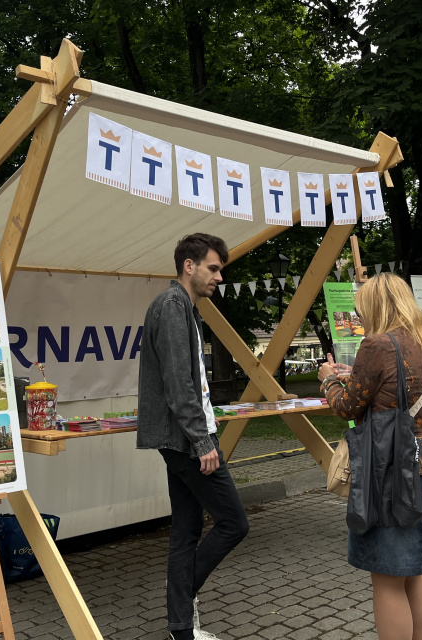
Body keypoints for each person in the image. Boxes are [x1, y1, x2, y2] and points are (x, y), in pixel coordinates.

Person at [317, 273, 422, 640]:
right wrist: (353, 375)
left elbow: (347, 408)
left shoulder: (376, 345)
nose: (360, 318)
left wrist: (328, 379)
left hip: (389, 467)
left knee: (387, 579)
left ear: (375, 307)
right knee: (414, 570)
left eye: (362, 310)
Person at [137, 233, 249, 640]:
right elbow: (178, 384)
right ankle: (180, 602)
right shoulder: (172, 306)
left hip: (184, 437)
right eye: (214, 268)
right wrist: (203, 442)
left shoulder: (183, 306)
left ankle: (181, 629)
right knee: (235, 523)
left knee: (185, 531)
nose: (219, 277)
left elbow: (189, 382)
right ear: (190, 265)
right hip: (188, 441)